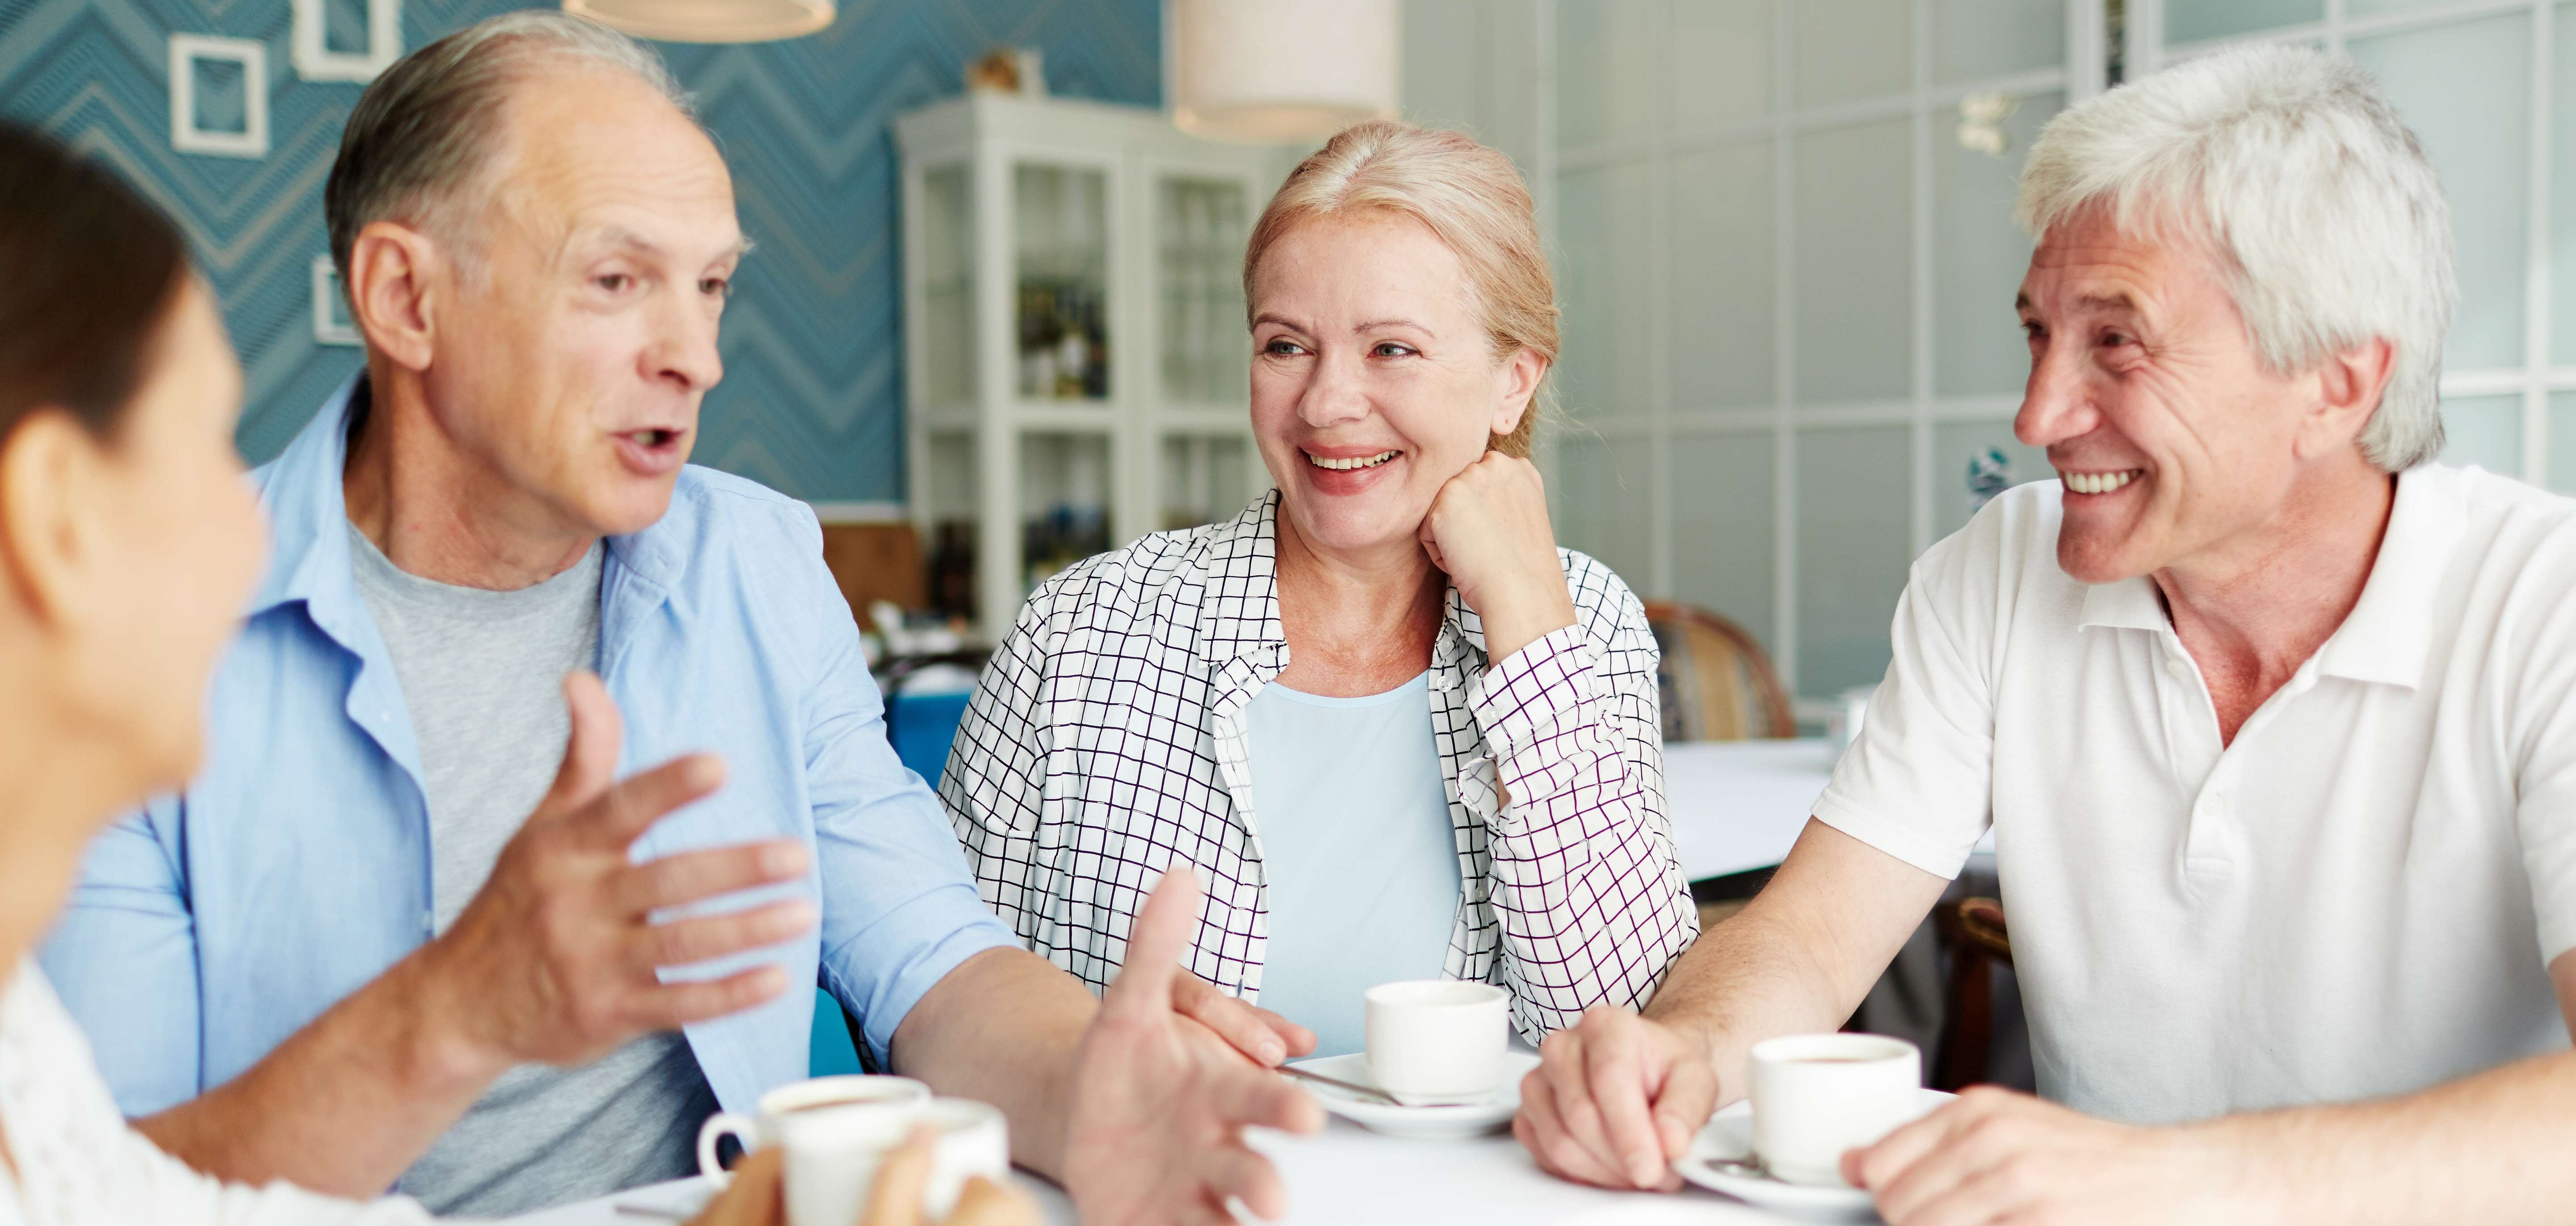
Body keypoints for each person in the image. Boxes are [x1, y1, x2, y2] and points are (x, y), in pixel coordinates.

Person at [38, 14, 1315, 1224]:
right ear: (405, 299)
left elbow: (932, 955)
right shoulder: (133, 613)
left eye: (710, 286)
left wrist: (1096, 1081)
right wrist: (464, 1003)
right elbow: (94, 1184)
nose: (695, 354)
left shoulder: (756, 563)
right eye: (617, 278)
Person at [1516, 43, 2576, 1223]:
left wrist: (2173, 1172)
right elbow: (1812, 936)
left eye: (2116, 342)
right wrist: (1686, 1053)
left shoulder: (2547, 604)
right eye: (2038, 334)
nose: (2038, 415)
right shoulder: (1999, 570)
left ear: (2336, 383)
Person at [944, 120, 1697, 1058]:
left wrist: (1529, 628)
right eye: (1286, 346)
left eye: (1392, 350)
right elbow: (933, 993)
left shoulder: (1589, 625)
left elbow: (1618, 1031)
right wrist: (1083, 1050)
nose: (1327, 404)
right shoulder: (1082, 630)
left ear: (1512, 383)